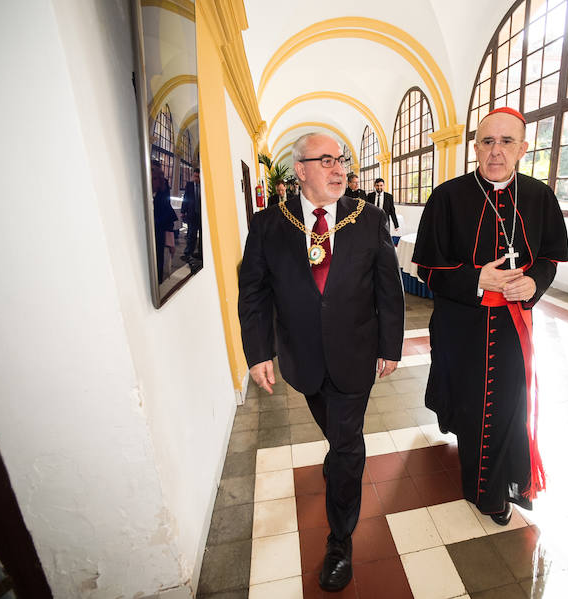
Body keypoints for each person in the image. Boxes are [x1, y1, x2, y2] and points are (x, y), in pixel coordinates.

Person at [238, 133, 404, 592]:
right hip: (303, 359)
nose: (339, 170)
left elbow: (388, 287)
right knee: (336, 435)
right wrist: (258, 353)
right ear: (301, 170)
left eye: (342, 160)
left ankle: (339, 540)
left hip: (355, 353)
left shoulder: (367, 219)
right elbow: (253, 292)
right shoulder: (269, 225)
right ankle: (340, 464)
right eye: (326, 160)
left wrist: (390, 345)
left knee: (347, 444)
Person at [412, 107, 568, 525]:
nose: (495, 151)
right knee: (472, 407)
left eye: (506, 142)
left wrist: (535, 283)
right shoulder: (447, 196)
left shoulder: (539, 197)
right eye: (487, 141)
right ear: (475, 147)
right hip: (461, 326)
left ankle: (507, 483)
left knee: (509, 406)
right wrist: (477, 280)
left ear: (522, 147)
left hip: (515, 325)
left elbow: (551, 258)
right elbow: (426, 268)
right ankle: (485, 491)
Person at [151, 162, 179, 284]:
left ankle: (158, 281)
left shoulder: (164, 185)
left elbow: (166, 208)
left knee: (158, 257)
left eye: (155, 172)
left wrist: (171, 240)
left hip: (158, 228)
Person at [181, 168, 202, 259]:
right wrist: (183, 211)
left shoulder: (204, 186)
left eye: (198, 176)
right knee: (191, 235)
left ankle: (200, 253)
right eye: (195, 176)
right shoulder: (189, 185)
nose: (196, 178)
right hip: (192, 214)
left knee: (202, 236)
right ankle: (188, 253)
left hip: (201, 216)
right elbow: (185, 199)